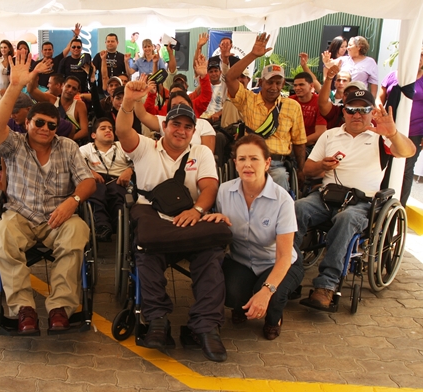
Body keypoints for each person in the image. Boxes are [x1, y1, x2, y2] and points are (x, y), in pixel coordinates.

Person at [117, 78, 227, 362]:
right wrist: (129, 101)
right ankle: (156, 320)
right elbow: (122, 129)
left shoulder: (201, 151)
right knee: (147, 250)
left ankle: (204, 326)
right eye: (175, 124)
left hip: (189, 217)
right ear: (164, 126)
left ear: (193, 131)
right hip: (152, 216)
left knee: (211, 254)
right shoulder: (144, 147)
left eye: (187, 127)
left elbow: (209, 187)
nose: (181, 130)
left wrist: (198, 211)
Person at [0, 52, 95, 334]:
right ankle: (23, 308)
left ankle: (60, 307)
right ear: (27, 123)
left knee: (78, 230)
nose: (45, 129)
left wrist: (72, 202)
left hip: (57, 218)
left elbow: (87, 182)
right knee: (2, 233)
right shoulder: (14, 145)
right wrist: (15, 86)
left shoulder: (67, 147)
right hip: (20, 215)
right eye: (38, 123)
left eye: (51, 124)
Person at [295, 90, 416, 310]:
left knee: (346, 219)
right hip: (325, 196)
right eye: (352, 109)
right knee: (296, 209)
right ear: (344, 111)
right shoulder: (330, 135)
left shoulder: (381, 138)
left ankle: (326, 286)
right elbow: (307, 168)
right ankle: (290, 275)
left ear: (371, 112)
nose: (357, 115)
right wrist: (322, 165)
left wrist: (394, 133)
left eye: (363, 110)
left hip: (361, 203)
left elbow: (408, 151)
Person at [203, 134, 303, 340]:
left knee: (272, 296)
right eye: (242, 159)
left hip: (276, 261)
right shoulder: (224, 191)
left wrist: (265, 292)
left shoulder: (282, 200)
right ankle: (243, 303)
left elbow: (284, 257)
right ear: (235, 163)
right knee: (230, 292)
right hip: (242, 259)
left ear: (267, 163)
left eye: (254, 159)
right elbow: (223, 231)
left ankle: (274, 319)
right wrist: (219, 219)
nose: (247, 165)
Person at [225, 33, 307, 191]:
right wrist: (253, 55)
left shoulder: (292, 106)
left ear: (283, 83)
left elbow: (299, 142)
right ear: (261, 82)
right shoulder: (248, 100)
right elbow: (229, 78)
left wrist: (301, 169)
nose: (274, 87)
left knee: (280, 177)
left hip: (277, 164)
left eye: (278, 83)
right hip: (250, 161)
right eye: (270, 82)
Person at [377, 48, 423, 206]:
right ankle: (380, 203)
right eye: (416, 55)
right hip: (388, 130)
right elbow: (380, 98)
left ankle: (398, 206)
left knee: (406, 168)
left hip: (414, 132)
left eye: (421, 56)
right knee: (384, 165)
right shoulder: (392, 76)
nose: (419, 59)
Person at [79, 118, 133, 242]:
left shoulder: (122, 146)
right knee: (97, 189)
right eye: (103, 128)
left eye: (110, 128)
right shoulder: (85, 149)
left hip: (119, 180)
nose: (108, 130)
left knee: (116, 191)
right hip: (97, 179)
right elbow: (76, 165)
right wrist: (90, 172)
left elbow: (138, 160)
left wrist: (129, 171)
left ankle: (121, 226)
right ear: (93, 135)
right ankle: (102, 226)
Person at [28, 70, 89, 140]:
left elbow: (84, 131)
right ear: (62, 86)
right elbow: (31, 90)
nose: (70, 90)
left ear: (77, 92)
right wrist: (36, 70)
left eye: (74, 88)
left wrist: (67, 141)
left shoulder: (79, 105)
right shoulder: (51, 99)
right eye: (68, 86)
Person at [289, 72, 327, 149]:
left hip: (310, 145)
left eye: (301, 85)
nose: (297, 88)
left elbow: (320, 132)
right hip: (289, 143)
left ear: (311, 86)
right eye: (295, 85)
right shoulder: (289, 101)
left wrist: (297, 144)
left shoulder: (320, 103)